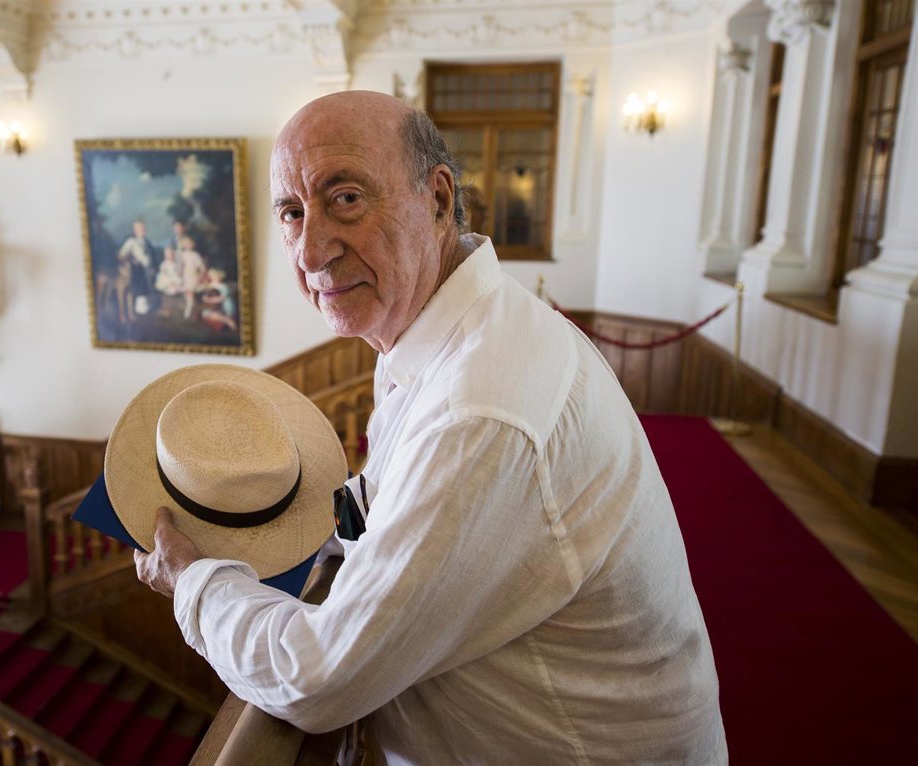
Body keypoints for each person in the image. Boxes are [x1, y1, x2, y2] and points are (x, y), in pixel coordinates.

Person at [133, 91, 727, 763]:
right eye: (292, 213)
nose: (311, 250)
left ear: (438, 199)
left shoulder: (480, 408)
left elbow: (316, 678)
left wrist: (192, 581)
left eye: (346, 198)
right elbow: (383, 503)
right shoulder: (436, 331)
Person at [118, 219, 156, 315]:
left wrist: (153, 267)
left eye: (143, 229)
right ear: (135, 231)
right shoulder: (131, 241)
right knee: (140, 287)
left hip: (148, 268)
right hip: (137, 269)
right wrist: (132, 259)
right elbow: (122, 254)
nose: (142, 231)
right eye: (139, 229)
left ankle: (148, 306)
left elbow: (151, 255)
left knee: (149, 286)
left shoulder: (147, 241)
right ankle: (140, 308)